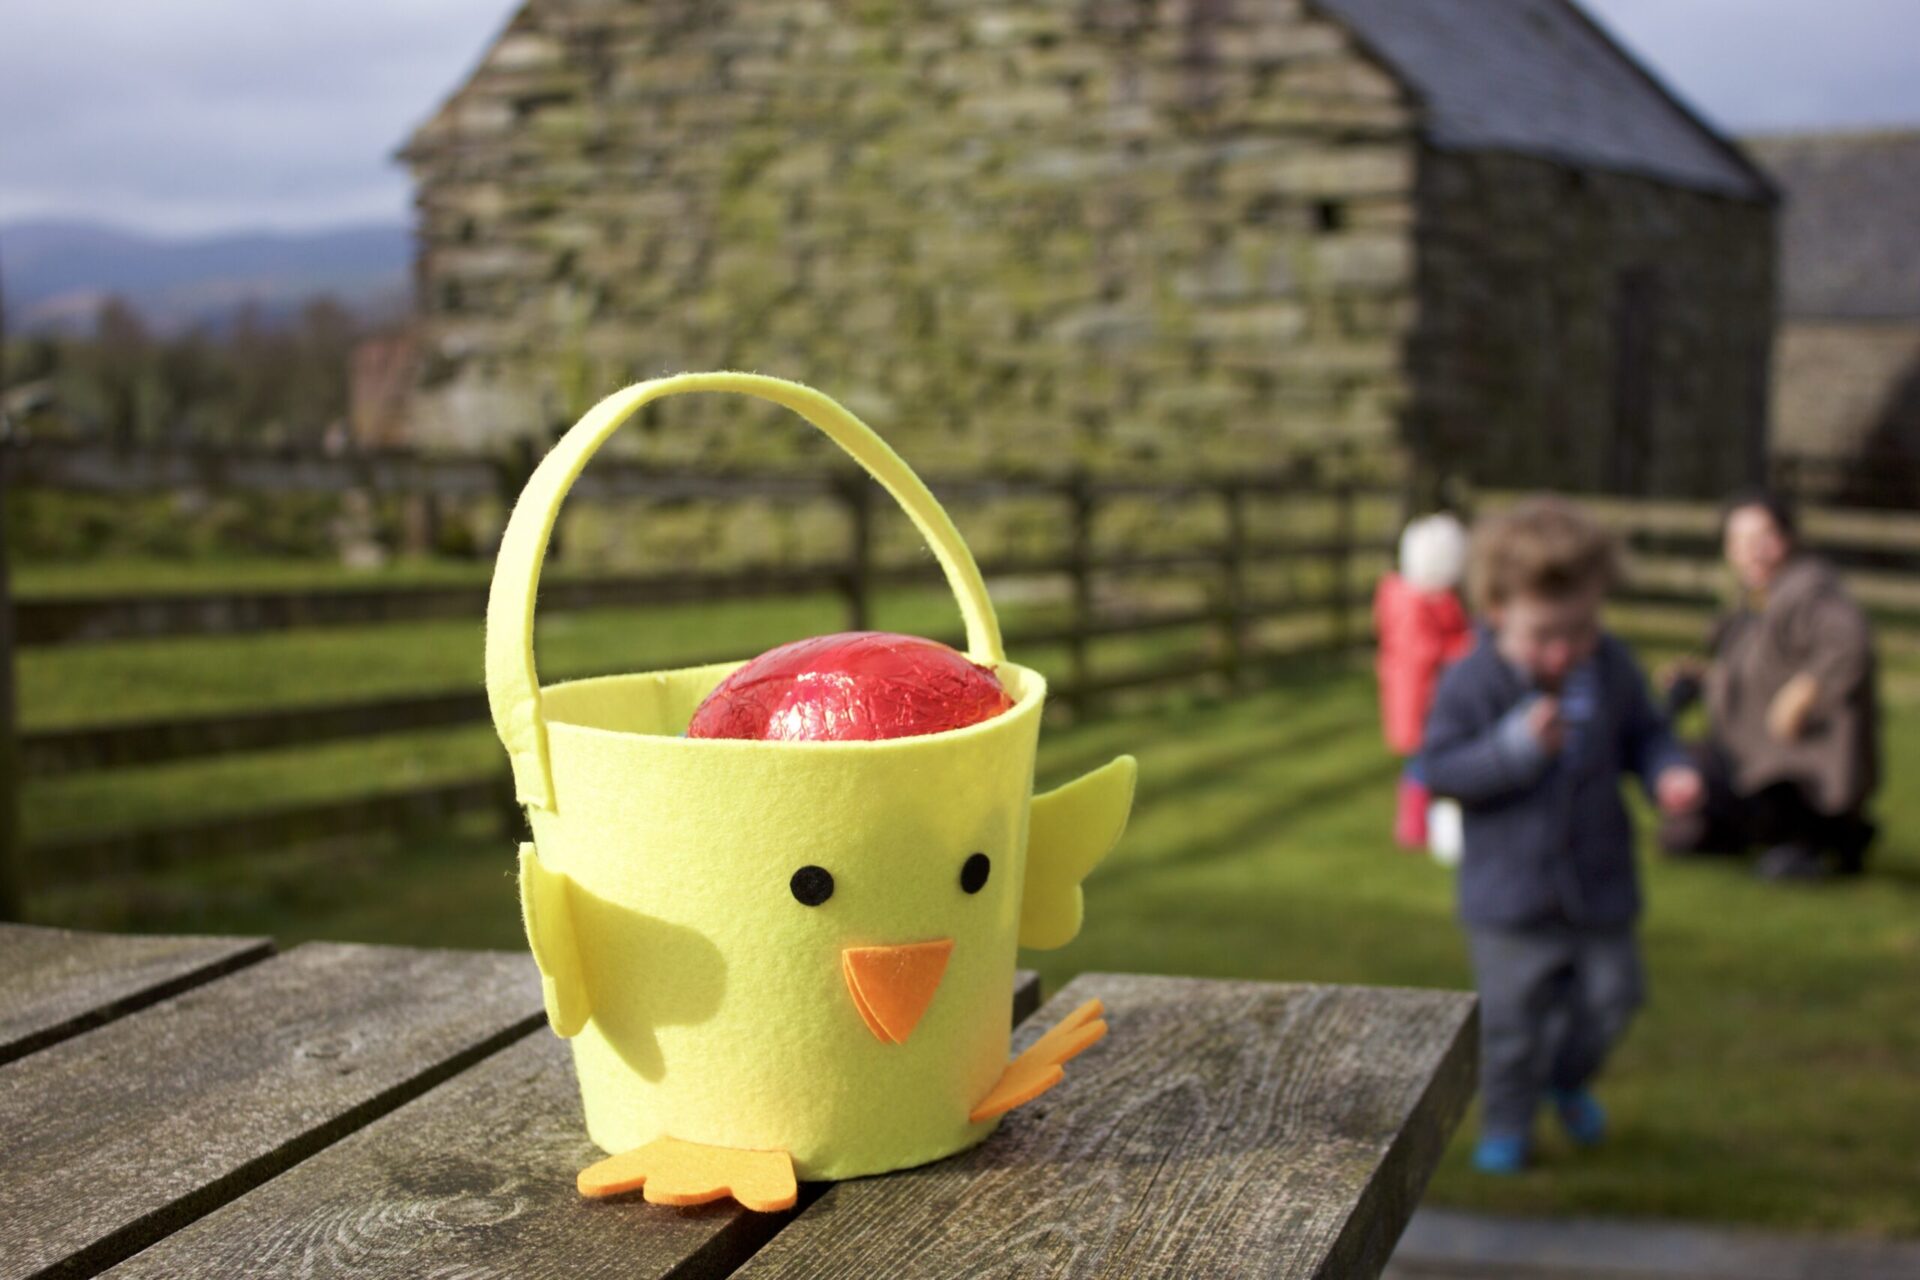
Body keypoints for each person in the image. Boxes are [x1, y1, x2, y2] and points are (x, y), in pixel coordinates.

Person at [1421, 498, 1703, 1175]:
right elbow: (1439, 769)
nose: (1564, 651)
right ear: (1496, 610)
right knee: (1512, 1025)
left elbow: (1646, 733)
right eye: (1545, 634)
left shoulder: (1607, 668)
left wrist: (1669, 771)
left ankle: (1567, 1078)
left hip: (1600, 885)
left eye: (1581, 629)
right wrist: (1513, 751)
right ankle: (1508, 1123)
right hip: (1508, 900)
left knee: (1613, 999)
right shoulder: (1474, 682)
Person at [1660, 493, 1880, 880]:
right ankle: (1818, 838)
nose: (1753, 552)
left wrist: (1806, 691)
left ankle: (1824, 836)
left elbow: (1850, 646)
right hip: (1749, 752)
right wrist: (1702, 679)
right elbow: (1760, 669)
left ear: (1789, 538)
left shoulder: (1810, 592)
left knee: (1771, 847)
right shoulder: (1755, 600)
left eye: (1764, 538)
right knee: (1685, 831)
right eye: (1740, 542)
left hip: (1794, 766)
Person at [1373, 513, 1475, 854]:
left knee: (1425, 763)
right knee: (1429, 764)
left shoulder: (1416, 600)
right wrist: (1465, 648)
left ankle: (1419, 826)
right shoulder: (1415, 605)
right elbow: (1423, 651)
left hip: (1421, 697)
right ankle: (1420, 827)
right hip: (1423, 700)